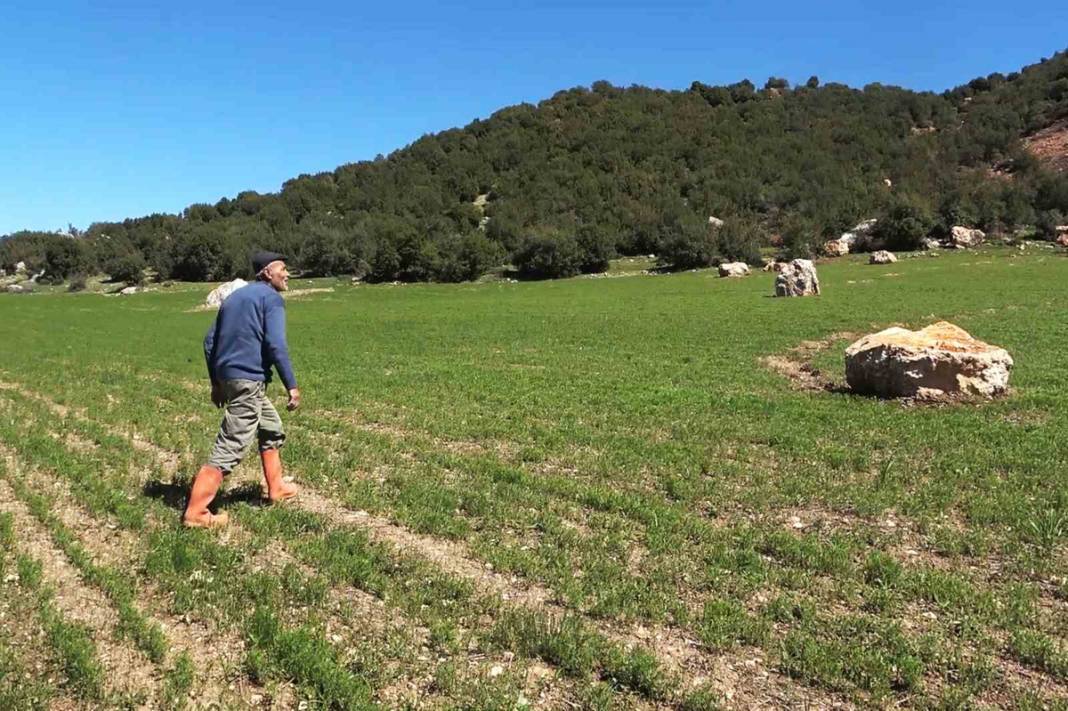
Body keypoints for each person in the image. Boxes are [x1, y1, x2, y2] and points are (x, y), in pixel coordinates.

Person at [183, 251, 301, 528]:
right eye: (282, 269)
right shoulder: (271, 298)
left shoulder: (234, 298)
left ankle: (277, 488)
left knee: (271, 427)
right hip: (248, 380)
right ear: (267, 273)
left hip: (232, 378)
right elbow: (276, 344)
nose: (287, 274)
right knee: (231, 444)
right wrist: (291, 386)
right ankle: (196, 512)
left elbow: (209, 342)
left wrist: (216, 382)